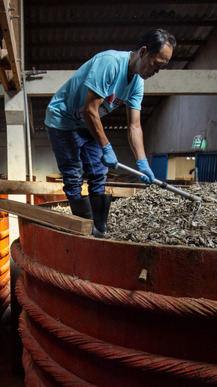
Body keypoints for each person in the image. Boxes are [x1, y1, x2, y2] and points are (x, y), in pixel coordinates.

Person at [44, 28, 177, 236]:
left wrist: (142, 163)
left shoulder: (137, 84)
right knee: (73, 175)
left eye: (162, 68)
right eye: (156, 65)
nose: (156, 71)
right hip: (63, 118)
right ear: (143, 52)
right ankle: (86, 228)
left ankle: (100, 226)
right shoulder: (111, 63)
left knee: (99, 172)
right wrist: (107, 146)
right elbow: (90, 110)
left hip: (84, 121)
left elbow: (134, 126)